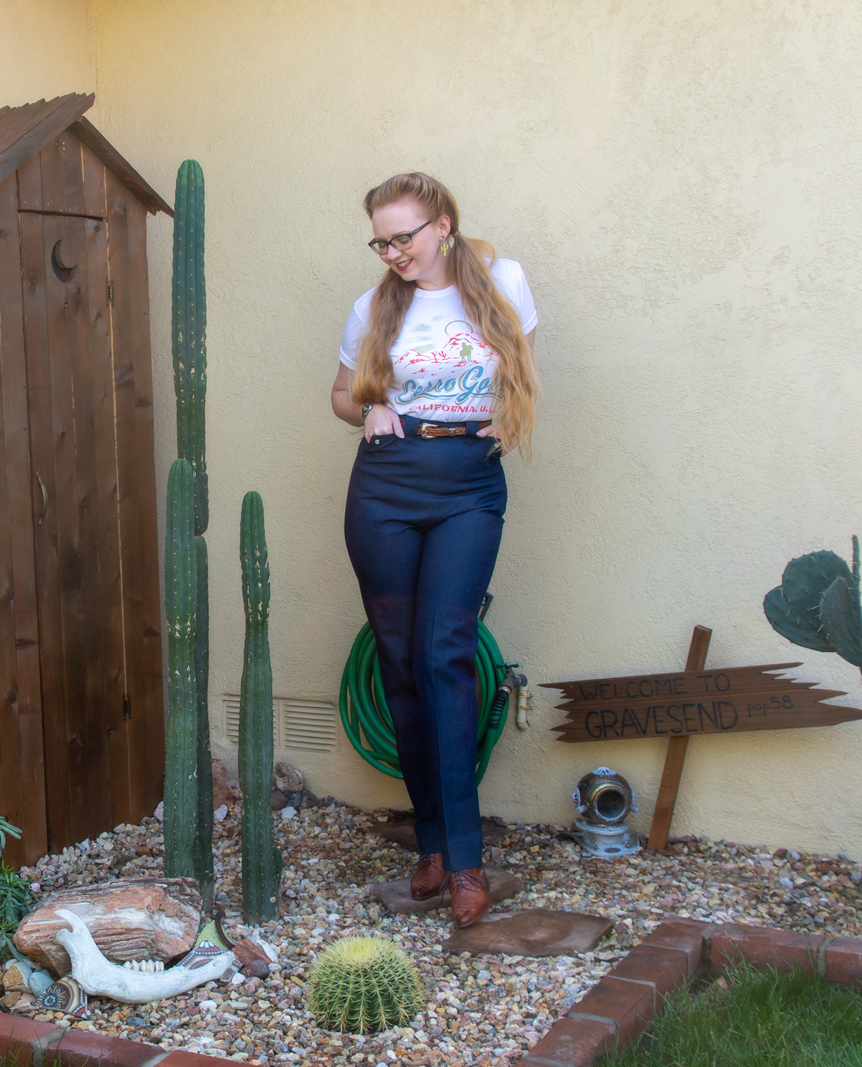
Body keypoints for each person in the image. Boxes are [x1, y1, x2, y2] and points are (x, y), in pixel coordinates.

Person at [329, 172, 540, 927]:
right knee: (400, 664)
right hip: (385, 486)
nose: (393, 252)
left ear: (443, 223)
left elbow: (522, 364)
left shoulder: (502, 281)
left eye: (405, 236)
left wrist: (509, 418)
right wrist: (374, 404)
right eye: (381, 240)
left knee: (444, 652)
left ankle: (466, 861)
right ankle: (428, 848)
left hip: (469, 485)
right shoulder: (375, 306)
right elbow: (340, 392)